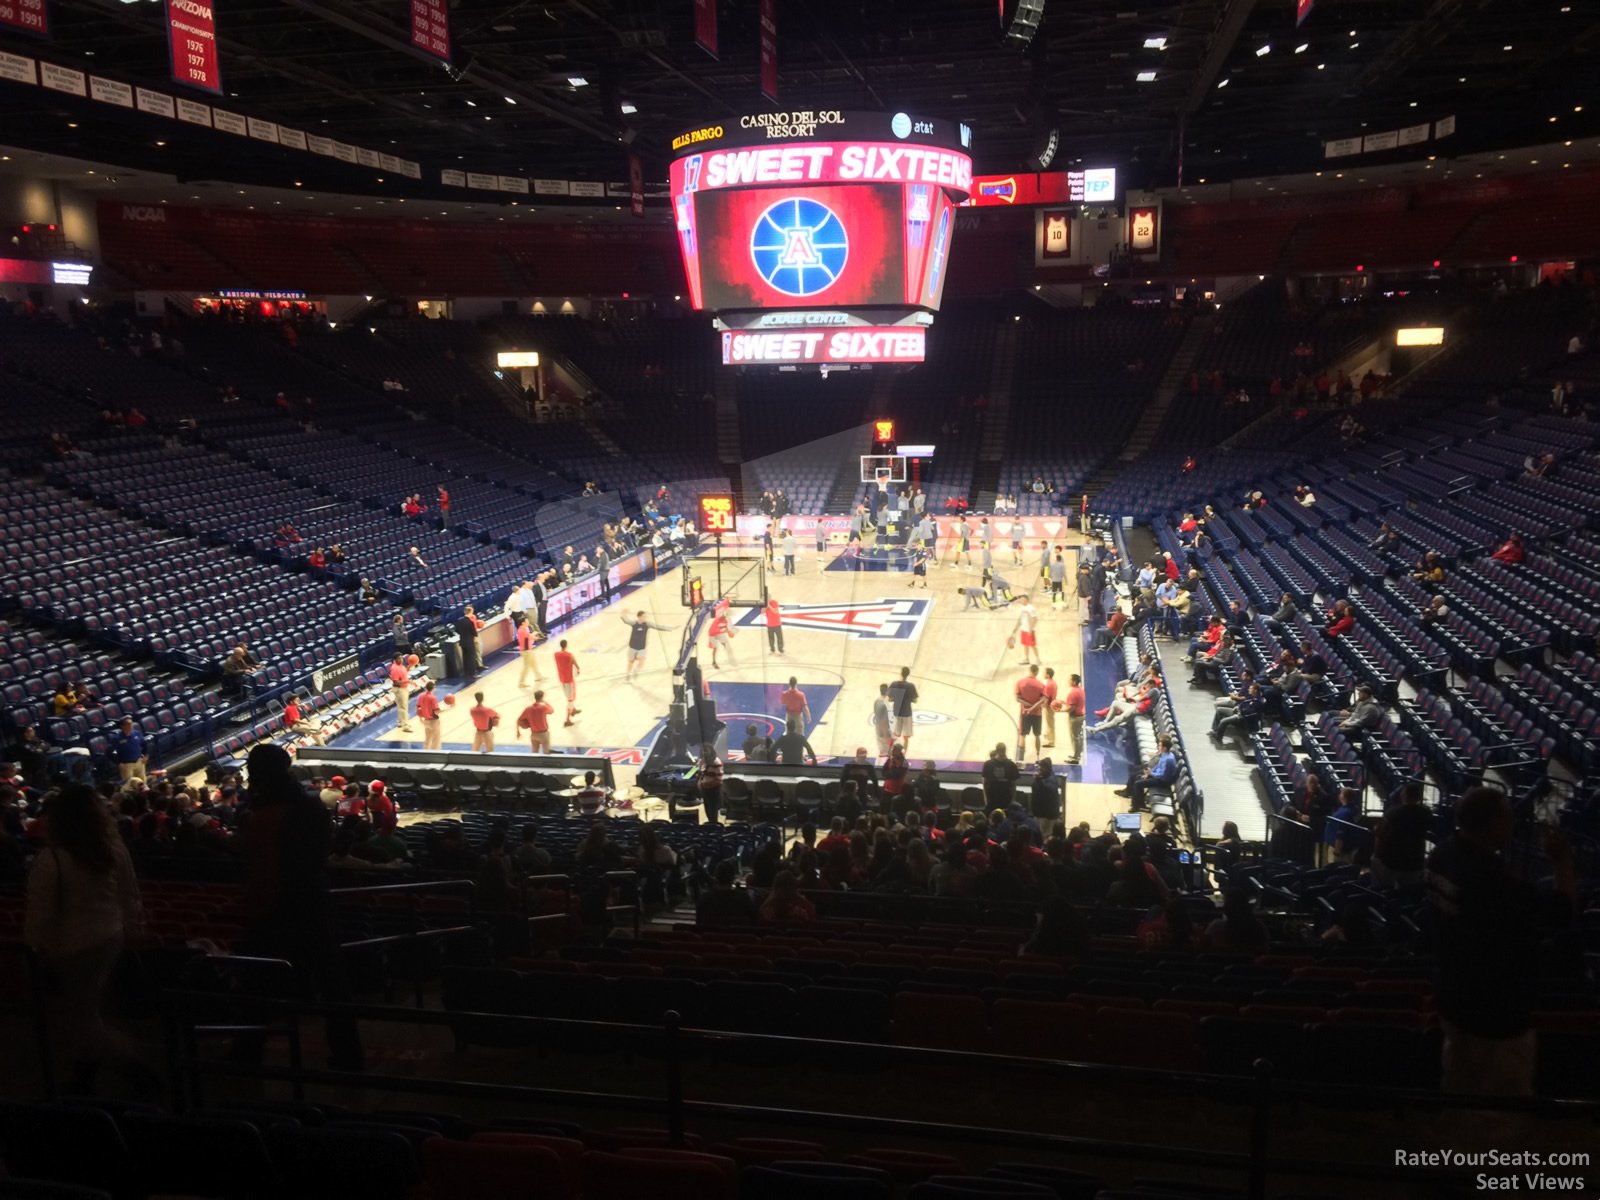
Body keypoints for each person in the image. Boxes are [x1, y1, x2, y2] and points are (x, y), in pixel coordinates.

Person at [1426, 785, 1575, 1095]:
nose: (1514, 825)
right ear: (1491, 825)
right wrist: (1561, 862)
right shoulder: (1491, 881)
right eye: (1507, 818)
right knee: (1502, 1112)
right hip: (1495, 1010)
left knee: (1458, 1088)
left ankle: (1456, 1142)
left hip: (1452, 994)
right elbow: (1562, 913)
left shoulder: (1442, 853)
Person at [237, 743, 363, 1070]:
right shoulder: (309, 808)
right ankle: (349, 1054)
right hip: (312, 901)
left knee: (256, 984)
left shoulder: (264, 813)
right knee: (333, 985)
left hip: (274, 906)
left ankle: (248, 1050)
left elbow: (254, 859)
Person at [24, 783, 145, 1092]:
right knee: (86, 1012)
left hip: (72, 947)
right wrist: (131, 932)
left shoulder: (51, 860)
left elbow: (39, 914)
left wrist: (38, 947)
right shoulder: (114, 849)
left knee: (80, 1018)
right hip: (110, 938)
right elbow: (130, 896)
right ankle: (86, 1074)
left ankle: (133, 1066)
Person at [1371, 782, 1430, 890]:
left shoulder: (1392, 813)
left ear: (1404, 795)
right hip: (1415, 862)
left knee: (1382, 883)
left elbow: (1380, 836)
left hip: (1392, 863)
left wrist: (1377, 855)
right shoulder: (1425, 813)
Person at [1117, 734, 1178, 812]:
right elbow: (1158, 767)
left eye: (1159, 746)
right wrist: (1149, 772)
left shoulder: (1168, 759)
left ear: (1164, 748)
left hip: (1163, 781)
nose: (1158, 747)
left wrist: (1151, 774)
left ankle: (1136, 806)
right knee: (1138, 777)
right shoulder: (1165, 755)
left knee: (1138, 784)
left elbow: (1163, 775)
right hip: (1158, 776)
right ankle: (1139, 801)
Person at [1204, 888, 1268, 952]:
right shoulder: (1259, 927)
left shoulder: (1216, 927)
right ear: (1247, 906)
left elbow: (1204, 947)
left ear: (1226, 909)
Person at [697, 859, 756, 925]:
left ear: (716, 878)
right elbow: (753, 920)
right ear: (733, 878)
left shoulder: (705, 899)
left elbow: (699, 922)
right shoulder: (743, 898)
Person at [620, 610, 673, 681]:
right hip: (632, 646)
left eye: (645, 616)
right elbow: (626, 621)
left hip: (642, 647)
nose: (645, 618)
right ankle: (628, 674)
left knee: (642, 660)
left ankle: (636, 671)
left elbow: (657, 627)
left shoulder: (647, 624)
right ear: (639, 617)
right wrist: (623, 614)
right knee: (631, 662)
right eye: (644, 616)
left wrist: (668, 629)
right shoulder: (634, 623)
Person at [1014, 664, 1049, 764]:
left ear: (1029, 670)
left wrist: (1028, 705)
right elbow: (1044, 700)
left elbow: (1017, 698)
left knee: (1022, 735)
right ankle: (1037, 757)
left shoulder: (1020, 682)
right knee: (1037, 735)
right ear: (1037, 672)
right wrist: (1034, 706)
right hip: (1037, 714)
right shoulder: (1041, 685)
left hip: (1025, 712)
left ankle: (1020, 759)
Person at [1055, 673, 1085, 764]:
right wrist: (1063, 702)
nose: (1068, 681)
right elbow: (1074, 703)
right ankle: (1077, 754)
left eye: (1070, 679)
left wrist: (1060, 711)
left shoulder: (1073, 692)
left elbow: (1071, 708)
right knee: (1078, 736)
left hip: (1075, 717)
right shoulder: (1080, 690)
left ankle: (1076, 757)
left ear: (1074, 682)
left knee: (1075, 737)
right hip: (1080, 715)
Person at [981, 742, 1020, 809]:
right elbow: (1014, 785)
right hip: (998, 798)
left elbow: (984, 783)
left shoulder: (988, 764)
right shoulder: (1011, 765)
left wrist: (985, 798)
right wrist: (985, 798)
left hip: (999, 798)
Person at [109, 716, 148, 782]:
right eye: (129, 724)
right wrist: (118, 763)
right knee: (130, 784)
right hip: (127, 765)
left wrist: (146, 755)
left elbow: (144, 744)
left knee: (143, 782)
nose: (131, 726)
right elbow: (109, 752)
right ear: (123, 726)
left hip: (139, 762)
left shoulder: (137, 733)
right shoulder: (117, 738)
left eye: (131, 724)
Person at [887, 666, 917, 748]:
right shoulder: (911, 686)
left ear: (901, 673)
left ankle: (889, 751)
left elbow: (889, 699)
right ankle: (903, 755)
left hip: (896, 712)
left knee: (894, 736)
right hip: (907, 713)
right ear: (908, 674)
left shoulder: (894, 684)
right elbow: (915, 700)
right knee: (906, 737)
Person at [553, 639, 581, 726]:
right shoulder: (569, 655)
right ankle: (567, 720)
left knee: (569, 695)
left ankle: (573, 709)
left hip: (562, 678)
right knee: (570, 699)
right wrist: (578, 668)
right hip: (569, 679)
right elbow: (574, 662)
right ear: (566, 645)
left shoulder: (556, 655)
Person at [697, 743, 723, 824]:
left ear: (711, 751)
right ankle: (711, 823)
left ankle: (714, 824)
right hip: (705, 789)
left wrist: (708, 784)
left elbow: (719, 779)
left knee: (713, 810)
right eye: (703, 750)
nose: (704, 752)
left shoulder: (716, 762)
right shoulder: (702, 761)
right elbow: (700, 773)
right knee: (707, 808)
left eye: (706, 750)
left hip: (713, 790)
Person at [414, 679, 443, 750]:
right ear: (433, 688)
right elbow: (436, 711)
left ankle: (425, 754)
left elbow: (418, 708)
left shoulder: (421, 696)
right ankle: (435, 755)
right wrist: (447, 709)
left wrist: (420, 719)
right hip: (433, 721)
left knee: (427, 739)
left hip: (425, 721)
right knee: (436, 740)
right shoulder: (433, 697)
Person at [388, 654, 414, 733]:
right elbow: (396, 682)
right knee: (403, 708)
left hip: (403, 688)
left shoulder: (401, 666)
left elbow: (404, 673)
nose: (401, 660)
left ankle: (400, 722)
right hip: (400, 689)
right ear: (395, 659)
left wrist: (409, 666)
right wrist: (407, 681)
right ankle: (405, 726)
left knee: (400, 706)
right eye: (399, 658)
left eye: (402, 658)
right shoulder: (395, 668)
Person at [516, 616, 543, 687]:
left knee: (534, 663)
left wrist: (533, 635)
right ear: (523, 623)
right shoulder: (522, 631)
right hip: (526, 651)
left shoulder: (523, 629)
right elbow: (529, 637)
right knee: (526, 667)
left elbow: (528, 637)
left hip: (528, 649)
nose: (528, 622)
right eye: (527, 621)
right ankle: (521, 682)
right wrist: (536, 637)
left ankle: (538, 676)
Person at [707, 604, 736, 668]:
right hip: (712, 634)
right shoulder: (718, 620)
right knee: (715, 648)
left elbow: (727, 630)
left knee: (726, 644)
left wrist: (729, 632)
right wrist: (727, 631)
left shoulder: (726, 620)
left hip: (718, 633)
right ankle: (714, 662)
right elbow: (717, 630)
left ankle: (729, 658)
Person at [872, 684, 894, 757]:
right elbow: (884, 720)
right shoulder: (884, 703)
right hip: (884, 729)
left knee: (883, 750)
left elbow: (876, 713)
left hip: (879, 727)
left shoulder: (877, 701)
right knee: (885, 752)